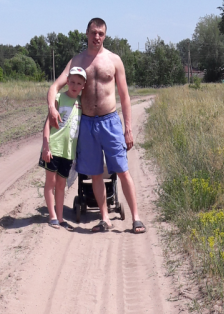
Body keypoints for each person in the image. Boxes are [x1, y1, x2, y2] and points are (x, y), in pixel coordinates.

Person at [47, 17, 146, 234]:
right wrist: (53, 109)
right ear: (87, 33)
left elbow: (125, 96)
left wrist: (128, 128)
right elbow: (55, 86)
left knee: (122, 170)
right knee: (95, 174)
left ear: (105, 35)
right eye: (93, 32)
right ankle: (104, 218)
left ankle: (136, 218)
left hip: (110, 121)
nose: (97, 37)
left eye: (101, 33)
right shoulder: (77, 61)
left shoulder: (114, 60)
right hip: (87, 123)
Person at [40, 66, 87, 230]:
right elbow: (47, 124)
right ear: (67, 81)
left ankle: (60, 218)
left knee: (61, 185)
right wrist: (46, 146)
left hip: (68, 151)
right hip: (54, 148)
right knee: (50, 183)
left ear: (83, 86)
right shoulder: (59, 98)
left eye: (78, 83)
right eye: (72, 82)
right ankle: (52, 216)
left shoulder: (82, 102)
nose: (74, 85)